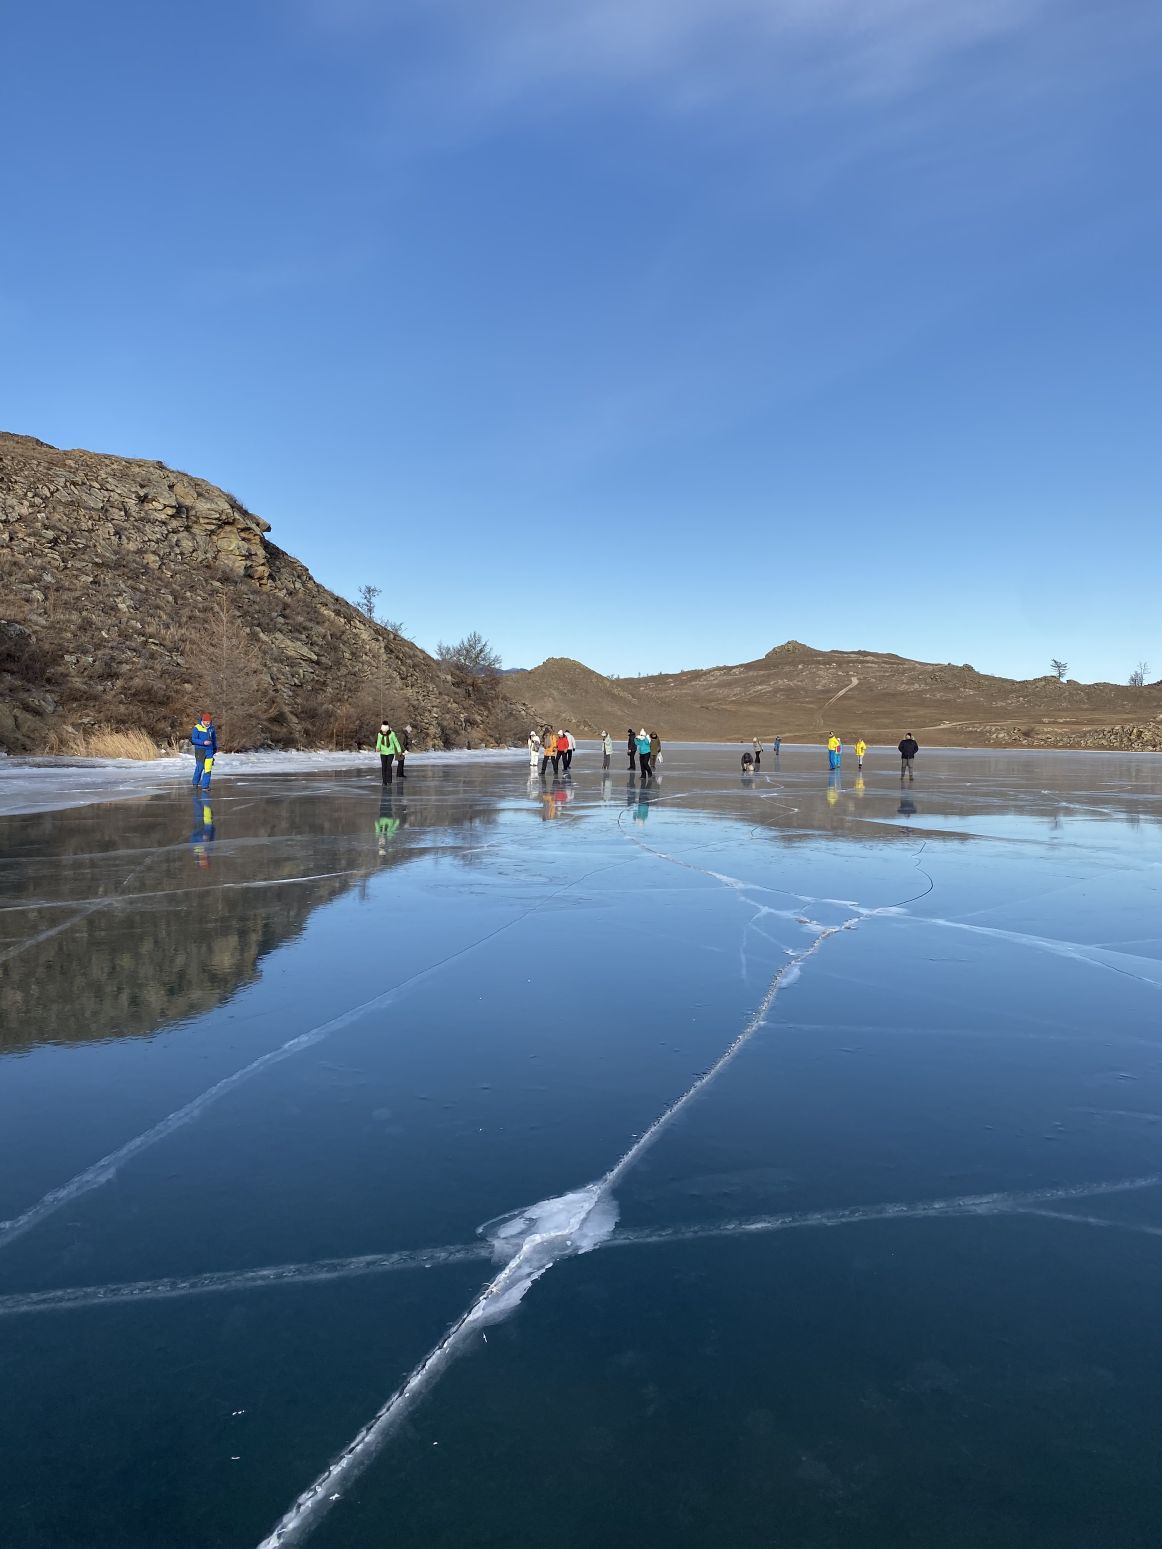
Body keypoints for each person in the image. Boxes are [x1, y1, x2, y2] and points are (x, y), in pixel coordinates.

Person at [190, 713, 216, 789]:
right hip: (200, 751)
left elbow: (214, 739)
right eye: (206, 721)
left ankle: (205, 786)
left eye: (209, 721)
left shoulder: (212, 728)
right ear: (203, 720)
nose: (208, 723)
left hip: (209, 751)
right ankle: (195, 783)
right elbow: (193, 739)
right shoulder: (197, 728)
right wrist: (203, 742)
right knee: (200, 767)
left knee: (208, 769)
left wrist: (215, 748)